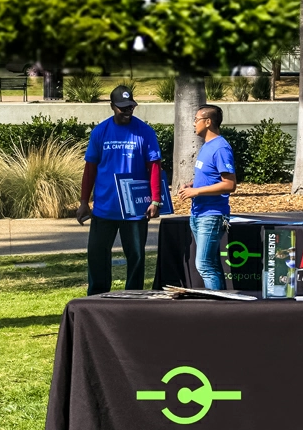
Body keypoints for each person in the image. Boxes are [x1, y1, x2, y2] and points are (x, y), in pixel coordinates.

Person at [79, 85, 163, 295]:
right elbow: (90, 169)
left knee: (135, 256)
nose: (127, 111)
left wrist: (155, 200)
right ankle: (98, 297)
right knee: (98, 255)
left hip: (135, 210)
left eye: (130, 107)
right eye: (122, 108)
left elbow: (154, 166)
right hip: (104, 208)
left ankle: (133, 297)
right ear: (112, 106)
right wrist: (83, 202)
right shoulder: (101, 131)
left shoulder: (144, 132)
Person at [173, 105, 238, 290]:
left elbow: (229, 184)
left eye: (196, 119)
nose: (194, 123)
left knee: (204, 265)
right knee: (211, 263)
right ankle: (220, 305)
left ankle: (215, 309)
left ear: (208, 122)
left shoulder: (220, 148)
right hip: (199, 213)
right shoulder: (207, 146)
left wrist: (196, 192)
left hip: (212, 215)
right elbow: (212, 177)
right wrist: (192, 185)